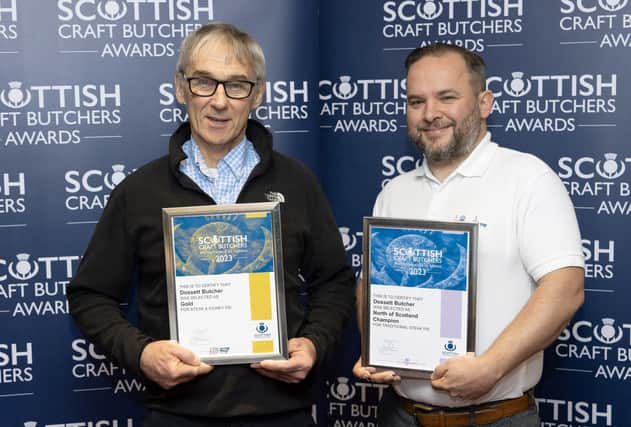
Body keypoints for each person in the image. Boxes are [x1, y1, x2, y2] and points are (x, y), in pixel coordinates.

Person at [67, 22, 355, 427]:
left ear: (258, 95)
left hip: (281, 411)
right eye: (204, 82)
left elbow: (335, 283)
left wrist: (313, 342)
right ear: (181, 87)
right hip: (176, 413)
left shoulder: (297, 183)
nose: (219, 101)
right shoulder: (140, 191)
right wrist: (142, 353)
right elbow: (89, 295)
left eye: (237, 85)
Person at [353, 43, 585, 427]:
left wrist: (491, 367)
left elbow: (565, 288)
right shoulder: (394, 192)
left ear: (483, 102)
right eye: (416, 101)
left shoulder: (527, 178)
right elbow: (371, 287)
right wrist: (377, 348)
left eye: (447, 97)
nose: (430, 114)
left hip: (494, 418)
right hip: (400, 416)